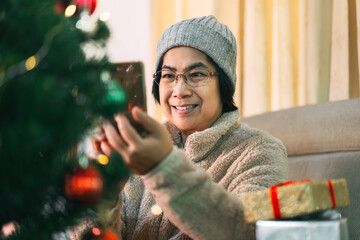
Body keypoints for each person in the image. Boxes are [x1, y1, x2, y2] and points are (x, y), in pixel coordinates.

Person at [85, 15, 288, 240]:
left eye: (196, 74)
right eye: (169, 75)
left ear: (224, 85)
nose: (179, 90)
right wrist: (104, 191)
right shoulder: (135, 150)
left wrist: (161, 167)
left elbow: (250, 232)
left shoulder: (262, 151)